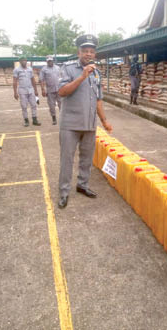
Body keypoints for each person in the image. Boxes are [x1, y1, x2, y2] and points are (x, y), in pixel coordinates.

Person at [58, 34, 112, 209]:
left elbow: (98, 100)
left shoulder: (96, 73)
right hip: (70, 125)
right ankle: (64, 192)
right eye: (85, 51)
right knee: (67, 160)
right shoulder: (67, 69)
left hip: (89, 124)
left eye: (92, 51)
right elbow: (62, 92)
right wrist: (82, 76)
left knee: (86, 159)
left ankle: (82, 185)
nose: (89, 54)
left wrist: (104, 121)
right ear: (78, 52)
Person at [13, 55, 41, 127]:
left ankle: (34, 120)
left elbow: (33, 79)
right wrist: (15, 92)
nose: (24, 61)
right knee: (24, 106)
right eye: (22, 60)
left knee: (34, 105)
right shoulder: (16, 70)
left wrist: (36, 90)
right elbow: (15, 81)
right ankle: (26, 121)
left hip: (30, 89)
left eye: (25, 60)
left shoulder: (30, 69)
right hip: (22, 90)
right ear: (20, 61)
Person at [39, 56, 61, 125]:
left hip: (59, 89)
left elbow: (62, 77)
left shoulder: (58, 68)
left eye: (51, 61)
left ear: (53, 61)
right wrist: (43, 89)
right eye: (48, 61)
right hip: (50, 90)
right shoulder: (44, 69)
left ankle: (62, 118)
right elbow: (41, 80)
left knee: (62, 104)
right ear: (47, 62)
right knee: (51, 105)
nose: (50, 62)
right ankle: (54, 119)